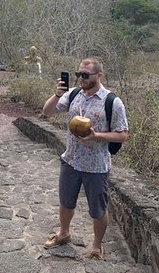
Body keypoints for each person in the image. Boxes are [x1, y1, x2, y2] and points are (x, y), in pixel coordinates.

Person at [41, 58, 128, 260]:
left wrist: (97, 136)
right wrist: (57, 94)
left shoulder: (112, 102)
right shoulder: (73, 94)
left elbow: (122, 134)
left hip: (96, 166)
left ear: (99, 75)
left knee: (98, 209)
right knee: (66, 202)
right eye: (79, 74)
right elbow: (47, 111)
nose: (81, 78)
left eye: (85, 75)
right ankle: (64, 234)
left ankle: (97, 246)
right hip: (71, 160)